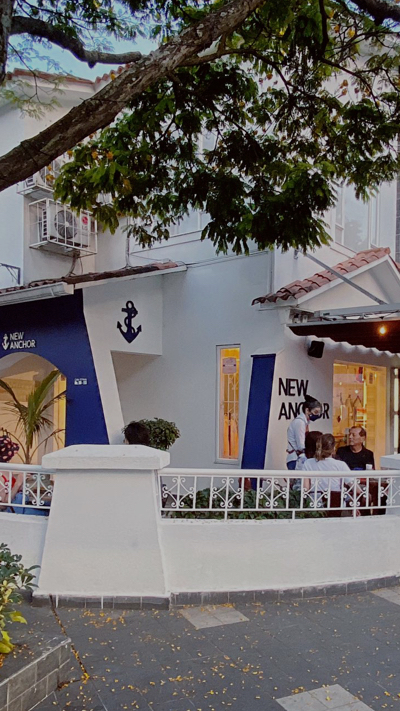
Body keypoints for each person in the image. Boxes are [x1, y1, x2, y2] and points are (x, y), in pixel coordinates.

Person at [303, 433, 352, 516]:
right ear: (333, 448)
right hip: (335, 506)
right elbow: (355, 487)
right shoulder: (341, 465)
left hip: (315, 505)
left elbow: (306, 489)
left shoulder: (308, 463)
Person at [286, 395, 322, 472]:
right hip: (296, 460)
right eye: (315, 412)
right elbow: (301, 445)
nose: (317, 415)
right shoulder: (300, 423)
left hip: (299, 458)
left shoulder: (304, 422)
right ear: (307, 410)